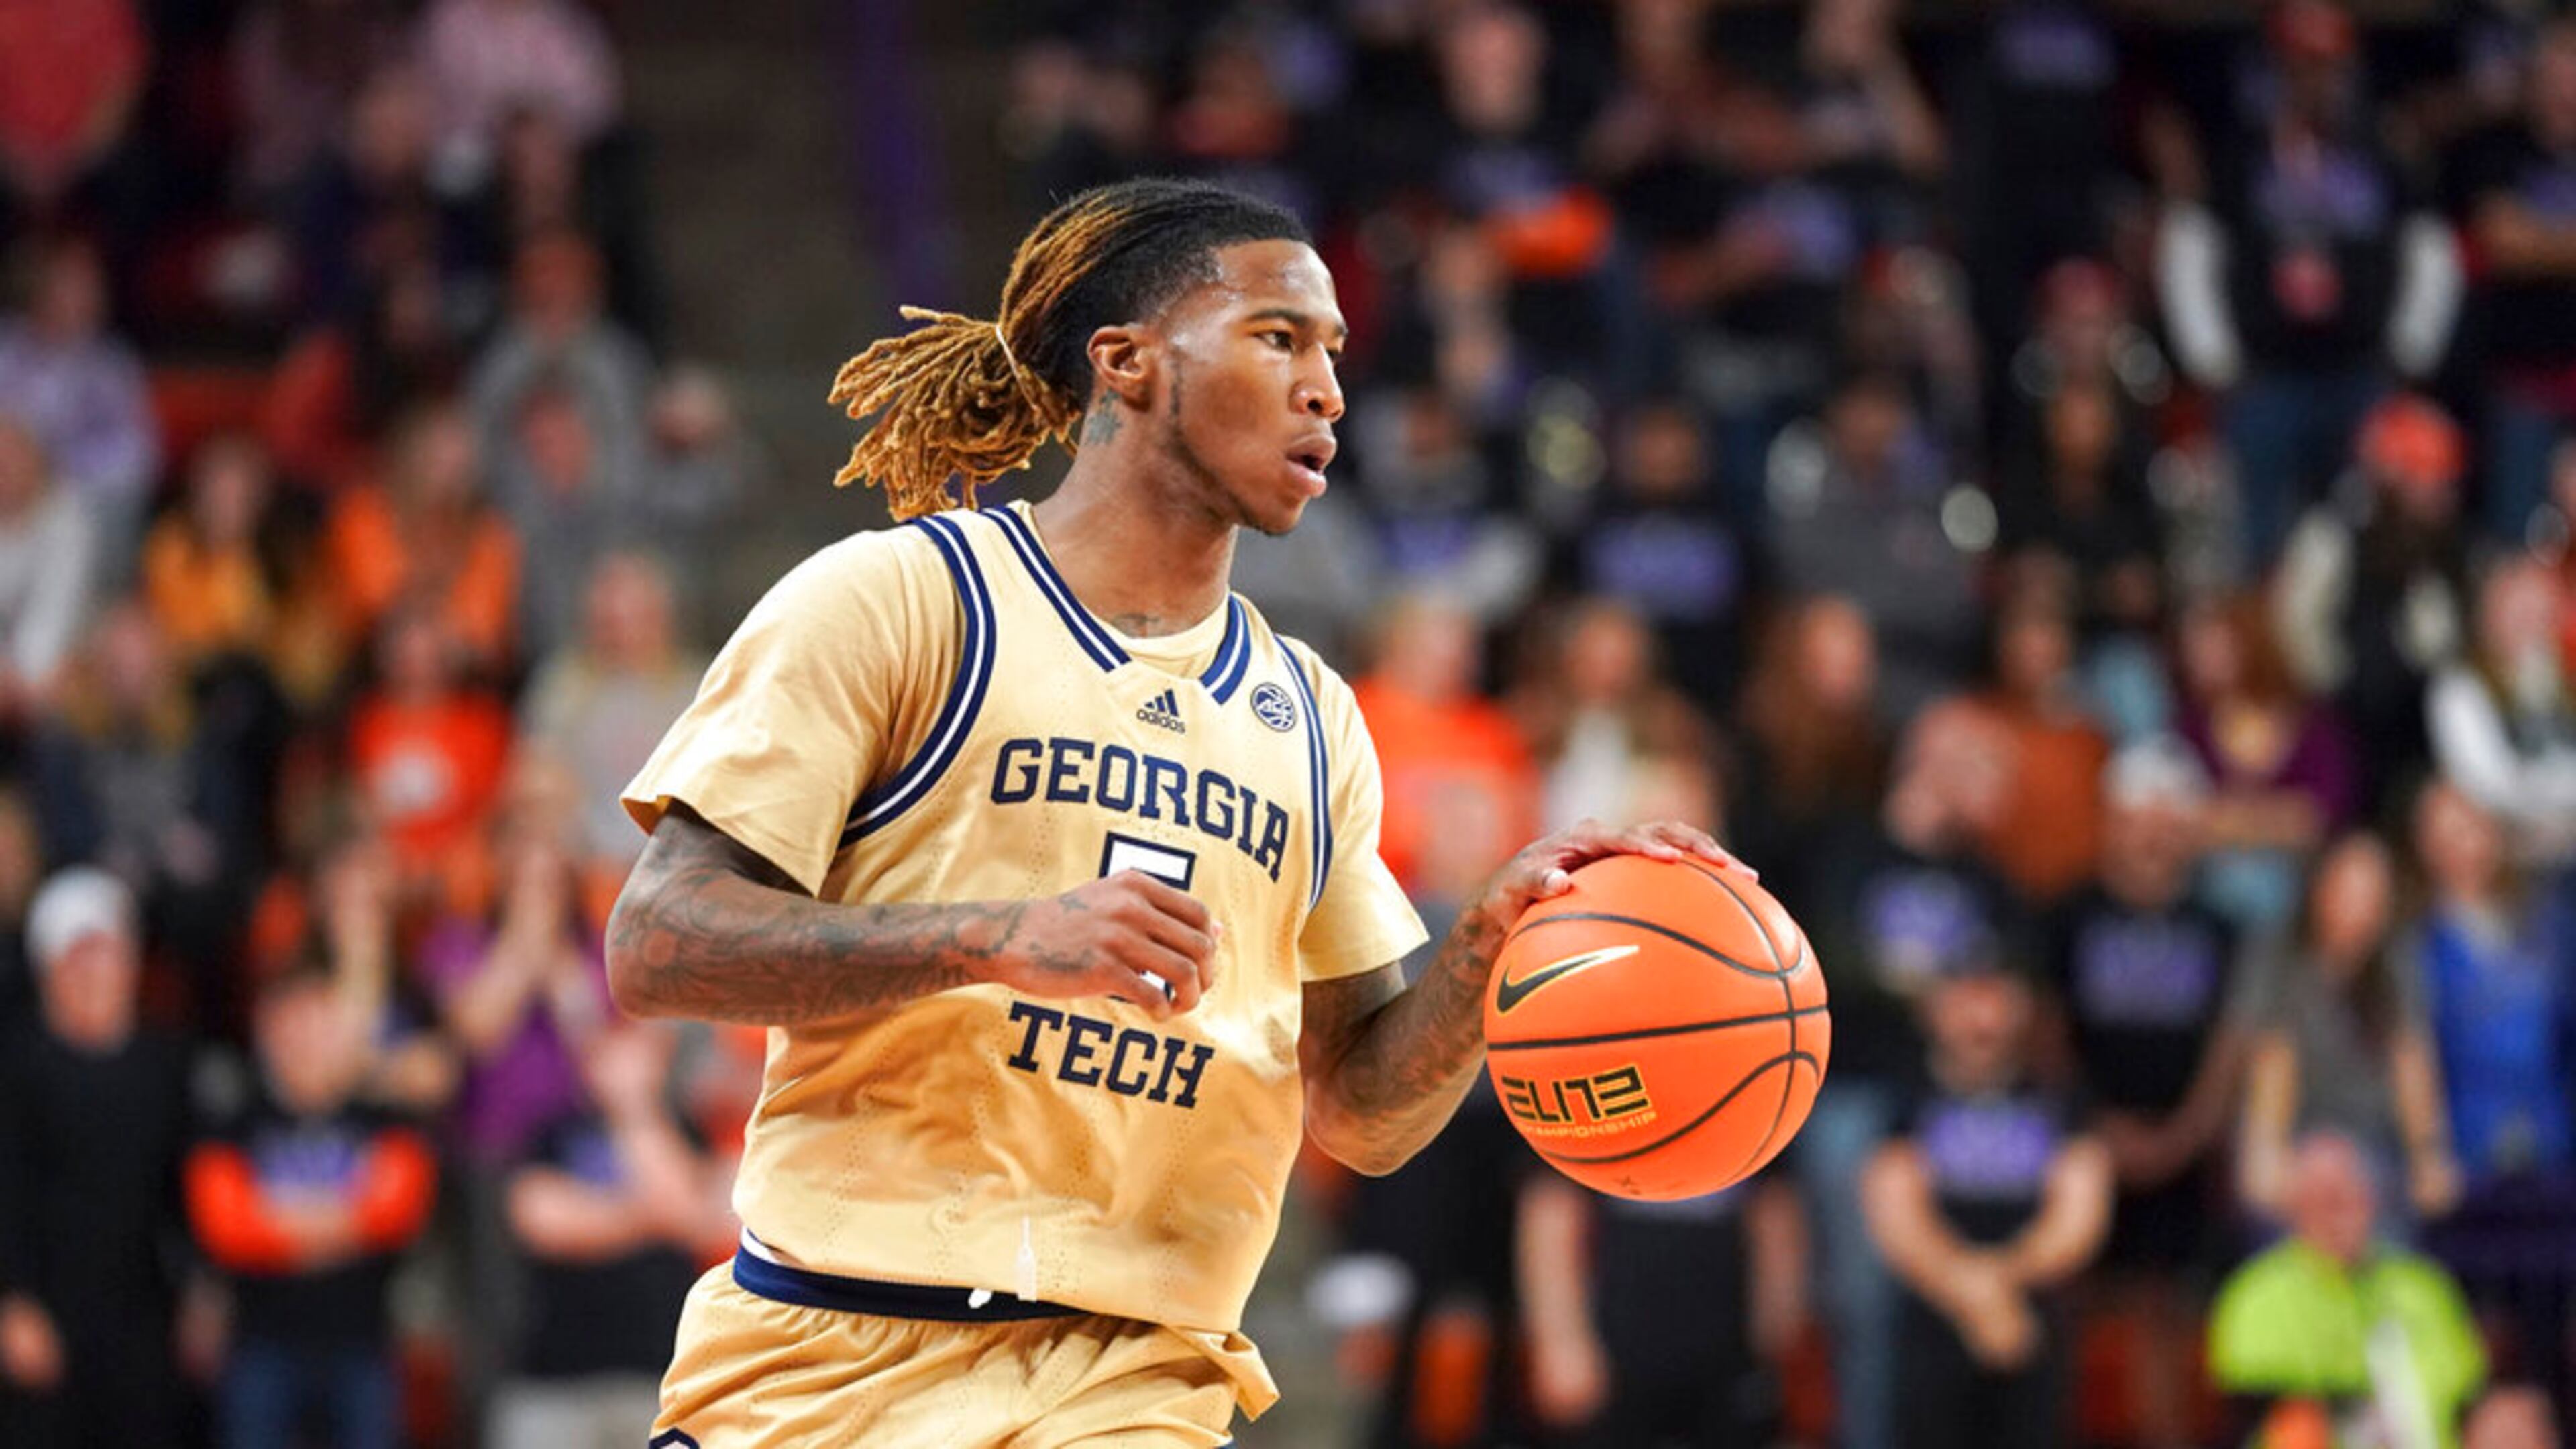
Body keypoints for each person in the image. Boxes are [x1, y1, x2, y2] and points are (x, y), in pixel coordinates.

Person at [604, 177, 1741, 1445]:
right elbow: (657, 945)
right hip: (831, 1350)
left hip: (1139, 1381)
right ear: (1128, 363)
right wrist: (993, 940)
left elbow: (1361, 1114)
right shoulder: (899, 603)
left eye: (1334, 352)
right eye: (1278, 338)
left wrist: (1478, 958)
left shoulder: (1311, 714)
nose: (1328, 390)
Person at [1860, 951, 2114, 1449]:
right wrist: (1972, 1293)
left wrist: (2003, 1283)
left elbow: (2081, 1209)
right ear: (1932, 1009)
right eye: (1963, 997)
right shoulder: (1905, 1098)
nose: (1980, 1018)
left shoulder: (2060, 1097)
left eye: (1994, 995)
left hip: (2032, 1323)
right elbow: (1893, 1209)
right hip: (1933, 1323)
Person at [184, 961, 439, 1449]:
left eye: (320, 1025)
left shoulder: (388, 1121)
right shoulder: (231, 1121)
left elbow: (396, 1214)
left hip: (362, 1345)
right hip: (260, 1347)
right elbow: (226, 1227)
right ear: (267, 1033)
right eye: (293, 1024)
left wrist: (277, 1223)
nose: (307, 1041)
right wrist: (348, 1220)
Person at [0, 867, 194, 1448]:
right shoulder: (16, 1069)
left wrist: (203, 1294)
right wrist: (13, 1302)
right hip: (44, 1319)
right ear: (48, 971)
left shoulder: (164, 1066)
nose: (94, 976)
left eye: (107, 957)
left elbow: (184, 1192)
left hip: (144, 1319)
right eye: (77, 961)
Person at [2209, 1130, 2488, 1449]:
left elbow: (2471, 1398)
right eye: (2325, 1201)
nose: (2339, 1216)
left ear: (2371, 1201)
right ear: (2295, 1208)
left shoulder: (2425, 1286)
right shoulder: (2255, 1295)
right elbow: (2263, 1409)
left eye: (2348, 1198)